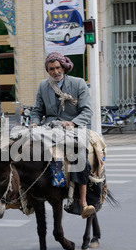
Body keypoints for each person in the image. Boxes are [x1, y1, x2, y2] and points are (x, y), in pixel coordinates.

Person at [31, 52, 95, 219]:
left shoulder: (78, 83)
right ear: (48, 70)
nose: (55, 71)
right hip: (50, 128)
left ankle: (82, 201)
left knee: (80, 153)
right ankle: (28, 195)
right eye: (51, 69)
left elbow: (87, 111)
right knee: (26, 149)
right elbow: (37, 110)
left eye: (58, 68)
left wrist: (73, 122)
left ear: (64, 68)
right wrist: (34, 122)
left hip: (73, 127)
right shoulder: (43, 86)